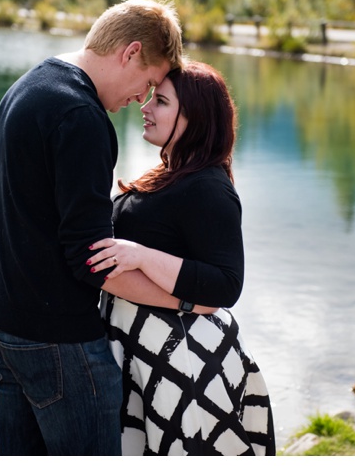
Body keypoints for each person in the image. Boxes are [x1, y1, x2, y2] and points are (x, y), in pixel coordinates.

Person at [0, 0, 187, 456]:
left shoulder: (29, 85)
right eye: (148, 82)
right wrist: (186, 301)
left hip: (3, 322)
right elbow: (93, 260)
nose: (142, 99)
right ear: (130, 52)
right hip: (58, 340)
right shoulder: (82, 118)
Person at [88, 61, 276, 456]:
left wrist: (141, 256)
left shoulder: (208, 186)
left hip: (182, 361)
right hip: (148, 352)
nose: (146, 107)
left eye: (161, 101)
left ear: (195, 118)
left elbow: (225, 284)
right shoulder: (170, 173)